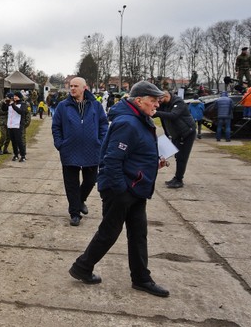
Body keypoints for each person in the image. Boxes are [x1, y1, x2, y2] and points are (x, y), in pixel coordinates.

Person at [68, 80, 171, 298]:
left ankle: (141, 278)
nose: (156, 105)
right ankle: (82, 267)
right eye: (153, 101)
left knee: (138, 234)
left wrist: (154, 162)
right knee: (109, 233)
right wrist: (120, 189)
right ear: (139, 100)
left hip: (135, 188)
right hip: (122, 189)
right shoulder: (128, 123)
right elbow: (112, 159)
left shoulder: (140, 119)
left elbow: (136, 153)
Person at [52, 77, 108, 226]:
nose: (72, 88)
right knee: (71, 183)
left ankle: (80, 200)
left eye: (76, 86)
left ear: (85, 88)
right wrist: (60, 144)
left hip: (92, 149)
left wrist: (100, 142)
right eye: (71, 86)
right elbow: (56, 126)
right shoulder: (63, 106)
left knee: (90, 180)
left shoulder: (95, 105)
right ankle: (75, 213)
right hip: (69, 150)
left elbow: (103, 124)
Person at [155, 91, 196, 189]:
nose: (158, 102)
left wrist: (156, 112)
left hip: (187, 133)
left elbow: (173, 115)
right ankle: (176, 177)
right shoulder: (164, 104)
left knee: (182, 157)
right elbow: (158, 116)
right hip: (177, 134)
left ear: (166, 96)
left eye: (159, 99)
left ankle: (179, 180)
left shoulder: (178, 102)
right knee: (178, 156)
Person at [7, 91, 27, 162]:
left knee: (19, 141)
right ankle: (15, 155)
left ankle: (23, 155)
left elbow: (21, 112)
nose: (15, 97)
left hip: (18, 125)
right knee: (13, 141)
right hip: (10, 125)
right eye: (14, 96)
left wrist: (13, 105)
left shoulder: (23, 104)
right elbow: (3, 110)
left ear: (19, 97)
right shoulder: (11, 103)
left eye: (16, 96)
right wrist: (6, 103)